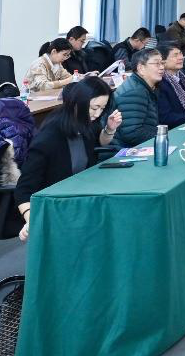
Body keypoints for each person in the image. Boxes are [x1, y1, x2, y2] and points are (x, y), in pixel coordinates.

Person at [9, 77, 122, 241]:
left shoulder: (85, 122)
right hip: (58, 206)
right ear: (78, 103)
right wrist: (31, 219)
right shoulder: (49, 139)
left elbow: (100, 141)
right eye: (94, 108)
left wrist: (110, 129)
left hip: (82, 197)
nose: (98, 114)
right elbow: (23, 190)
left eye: (102, 108)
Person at [112, 47, 165, 146]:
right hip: (124, 149)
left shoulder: (143, 86)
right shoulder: (135, 92)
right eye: (157, 63)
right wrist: (162, 136)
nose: (162, 67)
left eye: (162, 63)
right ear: (141, 68)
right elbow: (132, 134)